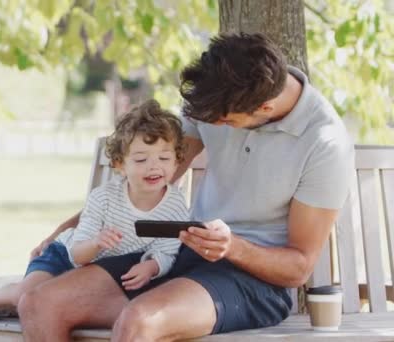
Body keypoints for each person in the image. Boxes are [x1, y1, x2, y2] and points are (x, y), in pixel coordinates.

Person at [18, 32, 355, 341]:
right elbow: (149, 179)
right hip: (181, 254)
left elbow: (298, 268)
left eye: (224, 122)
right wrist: (67, 229)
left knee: (139, 322)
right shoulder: (219, 97)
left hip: (253, 282)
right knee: (40, 304)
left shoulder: (324, 142)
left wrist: (231, 247)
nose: (214, 125)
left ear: (264, 108)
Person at [0, 99, 191, 324]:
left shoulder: (175, 205)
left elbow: (166, 250)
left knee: (45, 305)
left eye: (164, 158)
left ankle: (6, 306)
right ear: (120, 165)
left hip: (98, 277)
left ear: (177, 160)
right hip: (64, 257)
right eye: (141, 159)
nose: (153, 167)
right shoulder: (103, 198)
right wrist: (96, 242)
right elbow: (78, 253)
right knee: (27, 296)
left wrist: (152, 267)